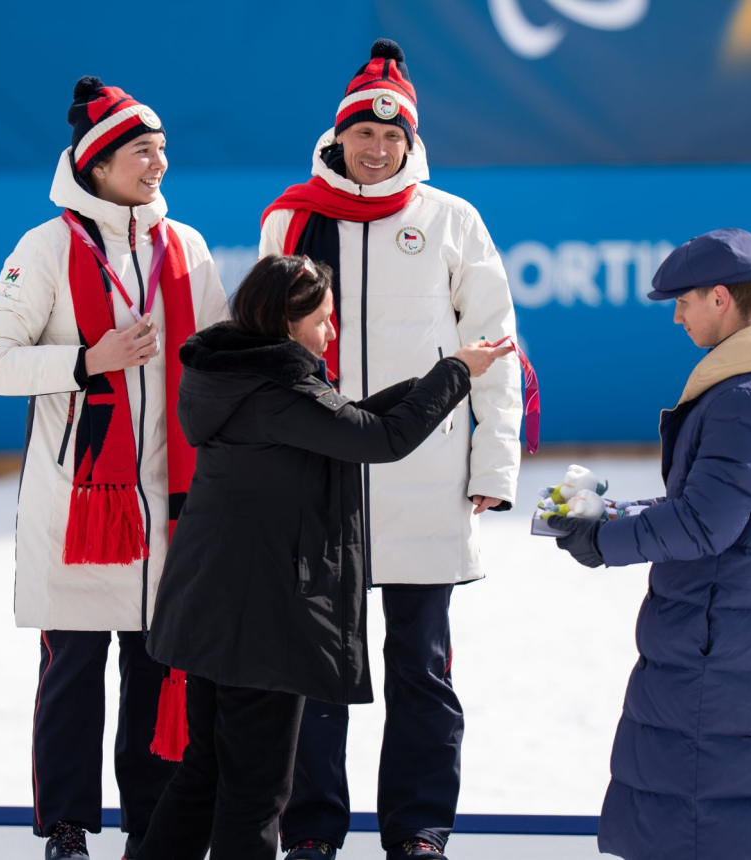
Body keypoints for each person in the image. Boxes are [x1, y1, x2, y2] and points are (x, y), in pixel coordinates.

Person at [136, 254, 512, 860]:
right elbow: (378, 439)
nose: (330, 334)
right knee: (256, 791)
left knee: (205, 773)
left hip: (209, 605)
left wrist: (430, 381)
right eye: (322, 321)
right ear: (286, 323)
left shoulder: (237, 375)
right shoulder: (275, 392)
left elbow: (350, 419)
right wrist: (454, 373)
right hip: (258, 620)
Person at [258, 39, 525, 860]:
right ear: (337, 139)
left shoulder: (452, 220)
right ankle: (310, 833)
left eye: (393, 138)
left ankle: (417, 831)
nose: (376, 151)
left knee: (421, 670)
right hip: (320, 479)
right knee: (316, 675)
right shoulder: (292, 218)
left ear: (411, 144)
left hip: (425, 483)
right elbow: (270, 353)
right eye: (362, 137)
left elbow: (495, 346)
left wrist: (494, 466)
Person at [0, 76, 229, 860]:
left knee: (157, 676)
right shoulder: (44, 249)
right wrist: (88, 360)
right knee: (74, 677)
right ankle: (68, 829)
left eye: (162, 151)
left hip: (171, 504)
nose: (159, 165)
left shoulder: (186, 247)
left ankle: (153, 830)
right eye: (143, 152)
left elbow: (215, 354)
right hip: (80, 508)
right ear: (99, 163)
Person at [550, 229, 751, 860]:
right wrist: (608, 514)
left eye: (683, 301)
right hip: (731, 631)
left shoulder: (745, 396)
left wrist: (604, 541)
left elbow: (707, 523)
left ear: (721, 298)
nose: (675, 315)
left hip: (718, 638)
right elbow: (719, 506)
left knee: (703, 813)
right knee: (720, 802)